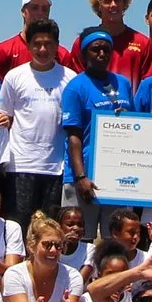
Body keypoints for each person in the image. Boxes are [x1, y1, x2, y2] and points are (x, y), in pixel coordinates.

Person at [0, 19, 71, 232]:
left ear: (57, 46)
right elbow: (3, 117)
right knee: (18, 229)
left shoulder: (69, 78)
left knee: (50, 231)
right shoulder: (14, 76)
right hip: (20, 166)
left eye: (48, 44)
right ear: (28, 45)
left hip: (56, 168)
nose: (42, 49)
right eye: (37, 44)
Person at [59, 28, 138, 238]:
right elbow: (73, 135)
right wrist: (80, 176)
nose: (101, 54)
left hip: (118, 175)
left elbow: (136, 127)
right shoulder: (75, 87)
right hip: (84, 176)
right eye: (95, 49)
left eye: (106, 49)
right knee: (78, 238)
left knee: (117, 240)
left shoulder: (123, 83)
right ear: (84, 54)